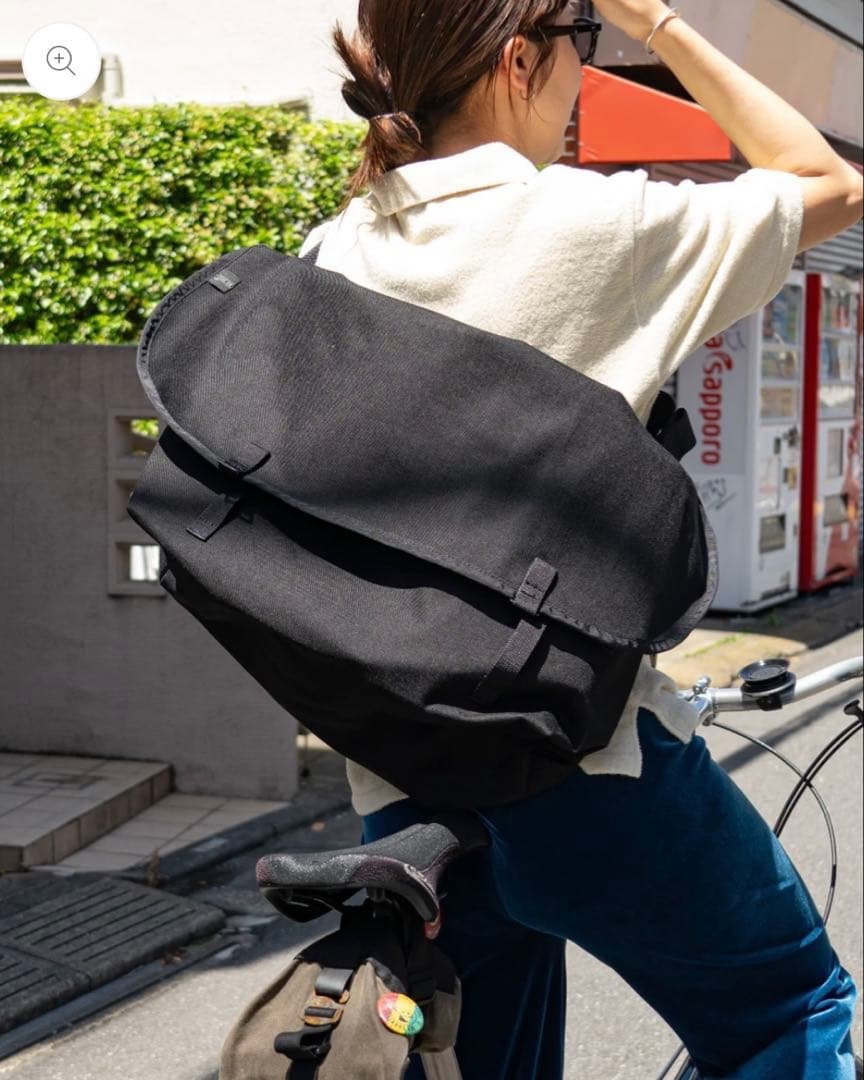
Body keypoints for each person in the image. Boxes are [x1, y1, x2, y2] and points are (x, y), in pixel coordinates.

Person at [298, 1, 863, 1076]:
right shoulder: (594, 224)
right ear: (521, 59)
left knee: (486, 1058)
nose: (583, 75)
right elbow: (825, 177)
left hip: (403, 775)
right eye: (582, 44)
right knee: (786, 1007)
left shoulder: (330, 253)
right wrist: (661, 22)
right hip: (581, 761)